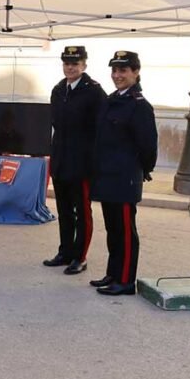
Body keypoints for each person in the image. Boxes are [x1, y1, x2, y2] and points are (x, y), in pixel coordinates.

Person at [90, 50, 158, 296]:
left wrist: (143, 170)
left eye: (123, 71)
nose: (117, 75)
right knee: (112, 228)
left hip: (125, 176)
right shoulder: (111, 100)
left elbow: (148, 145)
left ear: (136, 72)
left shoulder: (139, 106)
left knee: (126, 231)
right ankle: (114, 272)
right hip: (107, 174)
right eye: (115, 71)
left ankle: (127, 280)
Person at [43, 46, 106, 275]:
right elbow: (55, 126)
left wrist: (94, 161)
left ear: (84, 65)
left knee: (83, 212)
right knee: (64, 210)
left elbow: (101, 130)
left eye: (75, 63)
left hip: (82, 163)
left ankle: (80, 256)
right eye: (67, 63)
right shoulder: (59, 89)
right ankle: (65, 251)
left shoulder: (94, 92)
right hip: (60, 160)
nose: (70, 67)